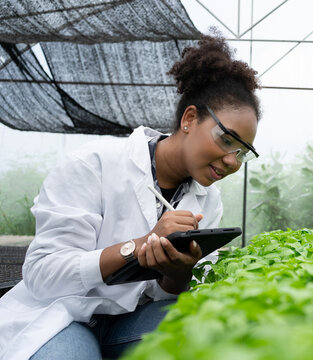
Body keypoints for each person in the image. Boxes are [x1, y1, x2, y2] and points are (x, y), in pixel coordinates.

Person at [0, 32, 261, 360]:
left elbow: (166, 295)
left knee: (203, 335)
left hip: (129, 321)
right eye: (226, 141)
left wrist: (177, 274)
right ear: (190, 119)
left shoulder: (208, 201)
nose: (231, 162)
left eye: (242, 153)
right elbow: (41, 275)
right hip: (57, 313)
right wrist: (138, 246)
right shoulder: (94, 164)